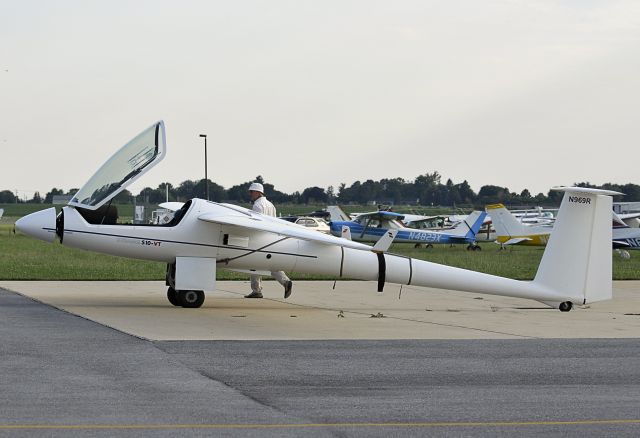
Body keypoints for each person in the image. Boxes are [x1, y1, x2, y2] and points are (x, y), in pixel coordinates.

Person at [244, 182, 293, 299]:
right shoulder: (271, 205)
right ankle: (283, 282)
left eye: (251, 192)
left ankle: (258, 290)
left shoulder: (257, 206)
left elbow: (256, 224)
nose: (250, 194)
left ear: (257, 192)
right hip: (270, 238)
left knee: (254, 265)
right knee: (270, 264)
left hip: (259, 239)